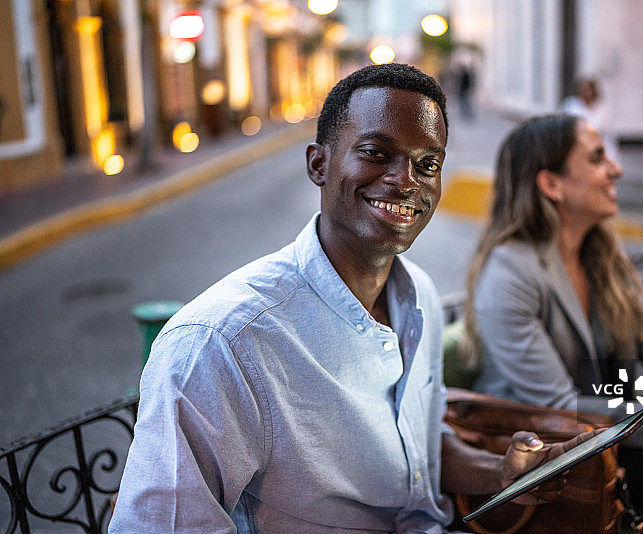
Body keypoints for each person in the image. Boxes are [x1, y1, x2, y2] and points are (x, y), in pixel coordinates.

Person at [108, 64, 596, 533]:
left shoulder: (419, 295)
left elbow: (414, 453)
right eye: (376, 153)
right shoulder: (221, 345)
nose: (406, 180)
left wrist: (500, 474)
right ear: (319, 164)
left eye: (428, 164)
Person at [463, 114, 643, 529]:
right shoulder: (509, 273)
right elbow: (558, 407)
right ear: (551, 185)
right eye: (598, 158)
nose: (616, 169)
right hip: (547, 466)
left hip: (612, 439)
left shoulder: (600, 248)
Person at [560, 75, 618, 161]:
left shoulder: (603, 109)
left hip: (597, 150)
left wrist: (611, 156)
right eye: (584, 89)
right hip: (576, 149)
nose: (587, 93)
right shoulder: (571, 106)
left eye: (589, 90)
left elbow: (608, 136)